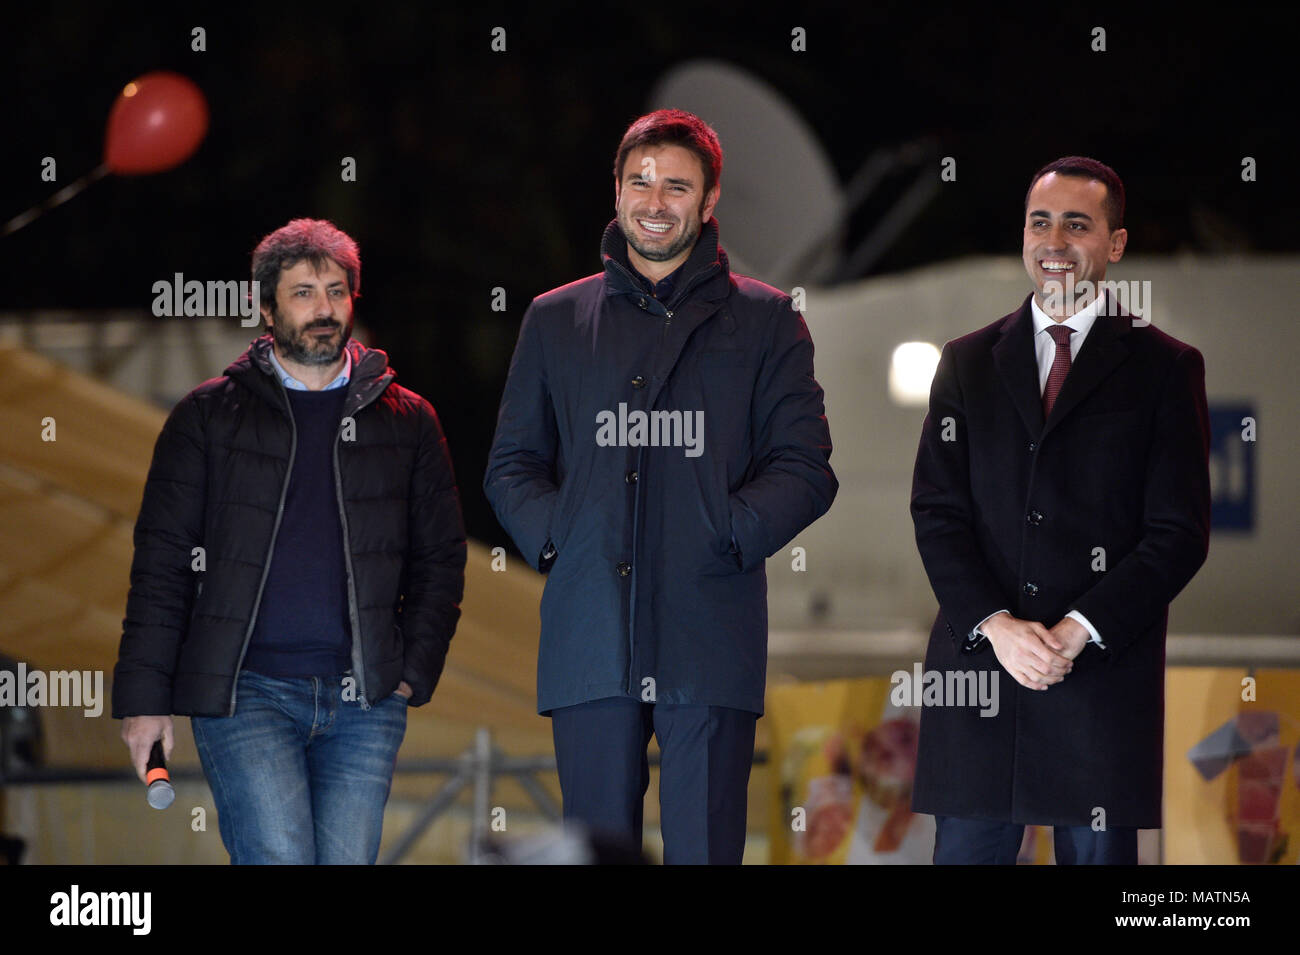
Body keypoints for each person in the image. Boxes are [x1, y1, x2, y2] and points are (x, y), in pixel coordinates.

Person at [485, 109, 837, 864]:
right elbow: (510, 464)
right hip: (589, 635)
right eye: (639, 181)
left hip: (709, 631)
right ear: (615, 191)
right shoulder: (555, 319)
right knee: (595, 853)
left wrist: (726, 534)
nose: (655, 199)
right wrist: (563, 537)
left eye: (676, 185)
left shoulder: (768, 320)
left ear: (709, 202)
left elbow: (806, 467)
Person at [113, 218, 466, 864]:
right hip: (245, 690)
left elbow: (441, 556)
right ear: (266, 306)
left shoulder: (410, 421)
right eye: (303, 293)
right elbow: (161, 563)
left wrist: (413, 670)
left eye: (336, 290)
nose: (323, 308)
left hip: (366, 699)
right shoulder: (205, 416)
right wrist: (143, 699)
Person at [909, 157, 1211, 864]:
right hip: (980, 678)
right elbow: (937, 512)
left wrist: (1076, 631)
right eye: (1040, 222)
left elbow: (1178, 533)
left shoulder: (1165, 368)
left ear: (1116, 244)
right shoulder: (966, 362)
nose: (1054, 241)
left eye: (1077, 224)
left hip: (1099, 690)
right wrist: (998, 626)